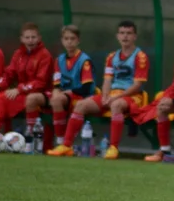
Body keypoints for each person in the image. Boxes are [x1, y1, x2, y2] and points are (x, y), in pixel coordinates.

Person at [49, 20, 149, 159]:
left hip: (132, 97)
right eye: (122, 33)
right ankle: (66, 145)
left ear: (134, 36)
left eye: (128, 33)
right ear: (117, 36)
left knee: (116, 105)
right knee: (81, 105)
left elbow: (137, 85)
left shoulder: (141, 57)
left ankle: (113, 148)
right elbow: (107, 80)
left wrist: (115, 98)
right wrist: (105, 95)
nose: (125, 36)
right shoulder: (111, 57)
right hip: (113, 94)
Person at [0, 23, 54, 147]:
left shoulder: (45, 55)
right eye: (27, 37)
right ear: (22, 39)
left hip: (40, 93)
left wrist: (19, 89)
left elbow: (41, 82)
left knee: (1, 101)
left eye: (33, 37)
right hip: (22, 93)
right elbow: (8, 74)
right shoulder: (18, 54)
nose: (30, 41)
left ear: (39, 38)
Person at [46, 25, 95, 146]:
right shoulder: (59, 60)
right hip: (65, 96)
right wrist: (56, 91)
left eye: (72, 38)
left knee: (57, 100)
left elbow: (87, 88)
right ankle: (31, 139)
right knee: (37, 98)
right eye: (66, 38)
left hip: (81, 96)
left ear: (78, 41)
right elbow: (57, 83)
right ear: (62, 40)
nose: (69, 42)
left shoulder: (84, 60)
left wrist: (68, 92)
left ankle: (61, 140)